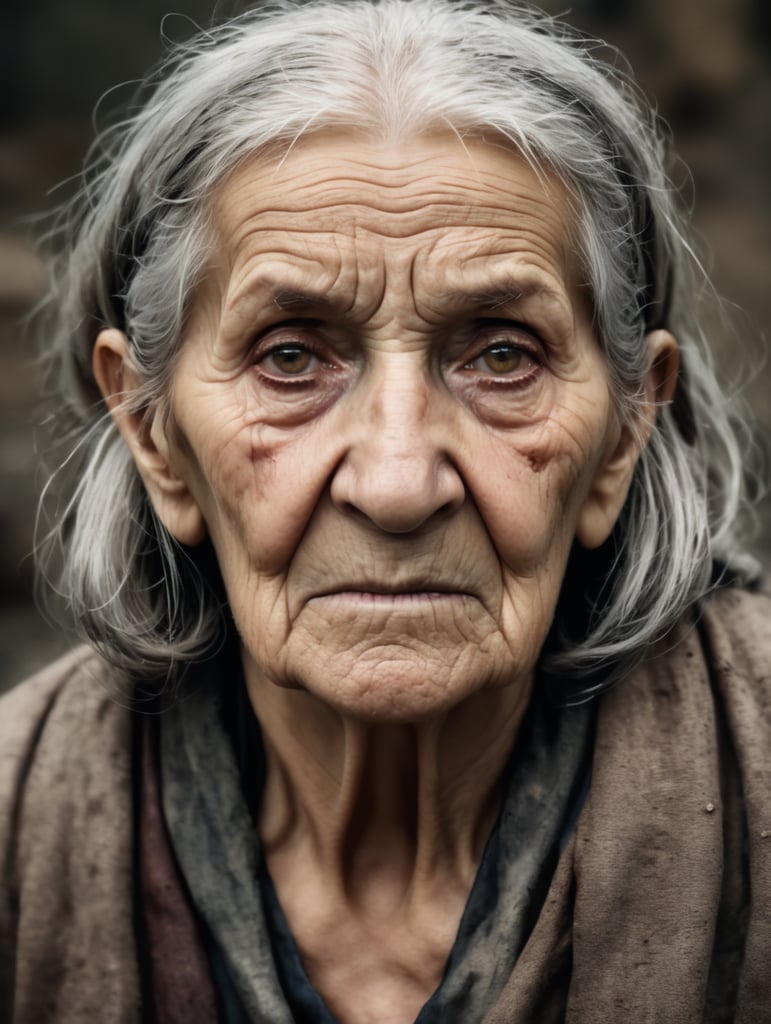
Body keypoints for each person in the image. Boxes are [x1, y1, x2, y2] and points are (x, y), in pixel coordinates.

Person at [1, 1, 769, 1021]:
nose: (399, 483)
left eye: (503, 354)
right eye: (290, 357)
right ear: (154, 433)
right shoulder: (21, 820)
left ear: (626, 430)